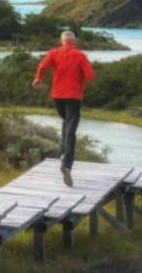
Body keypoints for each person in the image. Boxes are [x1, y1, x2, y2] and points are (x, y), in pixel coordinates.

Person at [32, 30, 95, 187]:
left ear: (61, 41)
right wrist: (82, 75)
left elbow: (42, 66)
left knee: (66, 122)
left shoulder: (54, 53)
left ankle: (61, 153)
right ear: (74, 41)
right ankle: (66, 164)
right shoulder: (80, 55)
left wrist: (38, 79)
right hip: (73, 96)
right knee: (71, 129)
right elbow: (91, 76)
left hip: (57, 96)